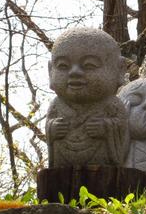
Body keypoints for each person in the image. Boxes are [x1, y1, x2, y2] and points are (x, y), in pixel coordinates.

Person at [46, 28, 129, 167]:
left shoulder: (112, 104)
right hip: (62, 169)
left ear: (119, 70)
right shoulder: (56, 105)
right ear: (50, 71)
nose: (74, 72)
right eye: (63, 66)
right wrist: (53, 129)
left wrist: (105, 127)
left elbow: (121, 128)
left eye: (89, 65)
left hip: (105, 171)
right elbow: (49, 127)